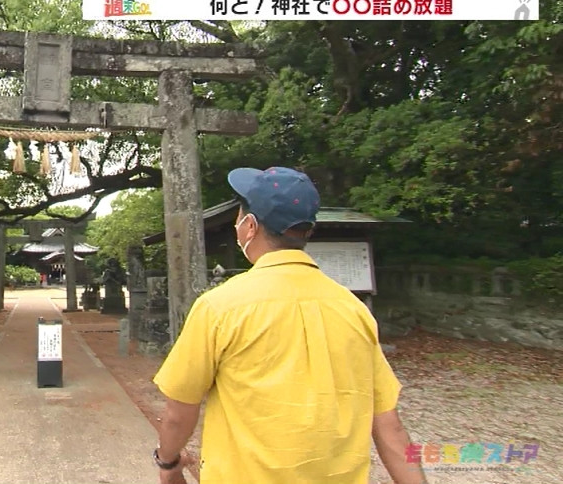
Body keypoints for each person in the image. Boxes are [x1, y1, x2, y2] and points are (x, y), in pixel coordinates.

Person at [151, 167, 427, 484]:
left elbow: (179, 411)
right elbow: (389, 426)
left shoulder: (220, 306)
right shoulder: (353, 309)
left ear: (249, 226)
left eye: (240, 215)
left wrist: (168, 463)